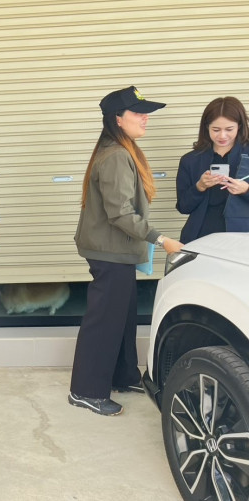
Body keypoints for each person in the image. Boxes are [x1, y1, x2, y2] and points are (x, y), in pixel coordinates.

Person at [71, 86, 184, 417]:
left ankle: (123, 376)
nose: (145, 118)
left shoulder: (122, 150)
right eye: (138, 113)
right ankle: (85, 391)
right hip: (109, 252)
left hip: (115, 251)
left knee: (122, 318)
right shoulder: (117, 156)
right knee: (104, 322)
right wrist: (160, 239)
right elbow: (120, 214)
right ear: (117, 119)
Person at [176, 96, 249, 243]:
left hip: (242, 238)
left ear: (240, 126)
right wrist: (199, 187)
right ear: (206, 127)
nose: (222, 136)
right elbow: (183, 207)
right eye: (216, 129)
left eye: (229, 129)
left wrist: (246, 190)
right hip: (200, 237)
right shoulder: (191, 160)